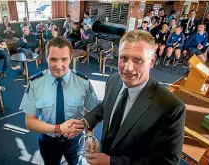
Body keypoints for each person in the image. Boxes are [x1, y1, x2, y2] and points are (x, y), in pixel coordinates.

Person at [68, 30, 185, 165]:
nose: (128, 68)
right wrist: (86, 122)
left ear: (152, 61)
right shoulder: (113, 80)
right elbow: (106, 105)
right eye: (123, 58)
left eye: (138, 60)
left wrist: (111, 161)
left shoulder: (171, 107)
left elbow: (166, 162)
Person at [19, 36, 98, 165]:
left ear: (70, 59)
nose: (59, 65)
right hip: (48, 140)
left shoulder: (83, 82)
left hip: (75, 140)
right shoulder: (35, 83)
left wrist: (89, 137)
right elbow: (29, 122)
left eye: (64, 59)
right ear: (46, 58)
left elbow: (92, 114)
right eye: (53, 59)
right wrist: (59, 128)